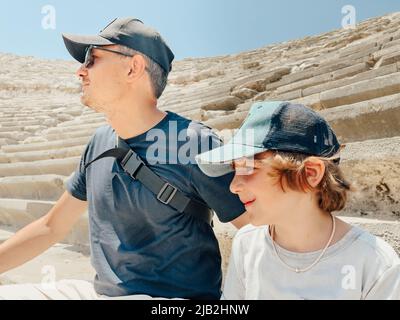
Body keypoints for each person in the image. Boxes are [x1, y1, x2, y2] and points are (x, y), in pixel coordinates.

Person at [0, 17, 250, 300]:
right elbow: (51, 227)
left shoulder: (193, 142)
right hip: (99, 293)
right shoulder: (99, 142)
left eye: (91, 59)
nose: (80, 72)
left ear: (133, 68)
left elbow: (254, 231)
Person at [196, 101, 400, 300]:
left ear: (311, 173)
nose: (233, 186)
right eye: (235, 169)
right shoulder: (247, 243)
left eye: (249, 167)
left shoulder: (375, 263)